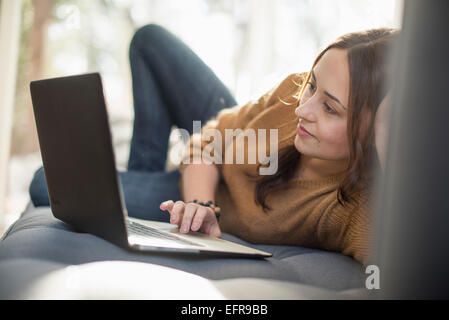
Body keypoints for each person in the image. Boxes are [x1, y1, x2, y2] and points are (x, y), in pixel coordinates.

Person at [29, 24, 398, 266]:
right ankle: (144, 168)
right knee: (150, 40)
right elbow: (205, 142)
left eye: (330, 107)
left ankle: (142, 177)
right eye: (312, 85)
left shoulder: (355, 208)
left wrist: (391, 138)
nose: (303, 108)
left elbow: (409, 267)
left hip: (222, 175)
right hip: (218, 157)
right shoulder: (292, 97)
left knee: (46, 182)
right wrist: (199, 204)